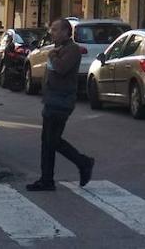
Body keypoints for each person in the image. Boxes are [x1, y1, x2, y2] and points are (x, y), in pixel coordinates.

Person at [27, 18, 94, 192]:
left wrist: (52, 55)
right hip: (51, 99)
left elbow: (62, 69)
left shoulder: (72, 50)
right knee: (47, 141)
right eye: (52, 29)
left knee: (53, 140)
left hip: (62, 100)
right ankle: (47, 179)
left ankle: (83, 162)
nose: (52, 32)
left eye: (56, 29)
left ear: (66, 32)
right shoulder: (59, 49)